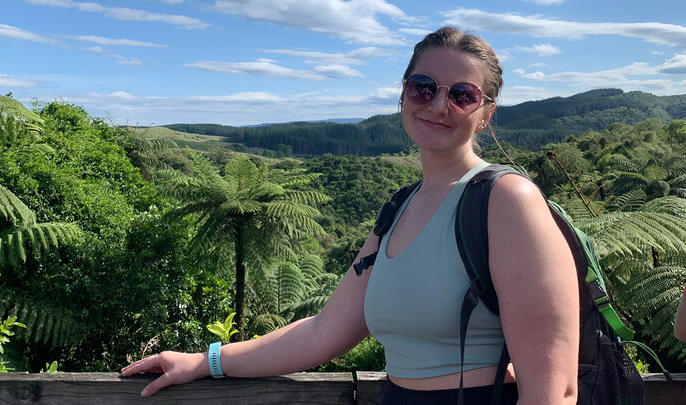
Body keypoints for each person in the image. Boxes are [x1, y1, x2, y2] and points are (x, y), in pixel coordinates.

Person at [121, 26, 580, 404]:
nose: (438, 105)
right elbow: (324, 332)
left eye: (462, 95)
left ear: (485, 114)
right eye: (423, 88)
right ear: (403, 95)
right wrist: (206, 362)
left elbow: (553, 392)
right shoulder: (401, 206)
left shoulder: (506, 199)